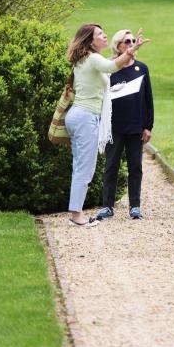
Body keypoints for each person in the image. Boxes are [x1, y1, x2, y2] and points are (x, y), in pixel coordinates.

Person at [65, 24, 147, 227]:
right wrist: (131, 50)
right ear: (90, 40)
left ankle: (76, 212)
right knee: (85, 168)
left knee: (80, 167)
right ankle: (77, 216)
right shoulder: (92, 58)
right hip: (85, 117)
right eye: (100, 34)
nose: (105, 36)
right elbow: (112, 67)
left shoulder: (84, 59)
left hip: (79, 115)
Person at [95, 30, 154, 221]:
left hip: (135, 126)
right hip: (114, 127)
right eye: (126, 41)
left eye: (133, 41)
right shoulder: (109, 69)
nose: (131, 44)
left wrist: (148, 126)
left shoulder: (142, 68)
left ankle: (135, 206)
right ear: (118, 45)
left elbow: (148, 100)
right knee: (111, 165)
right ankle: (107, 206)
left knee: (135, 166)